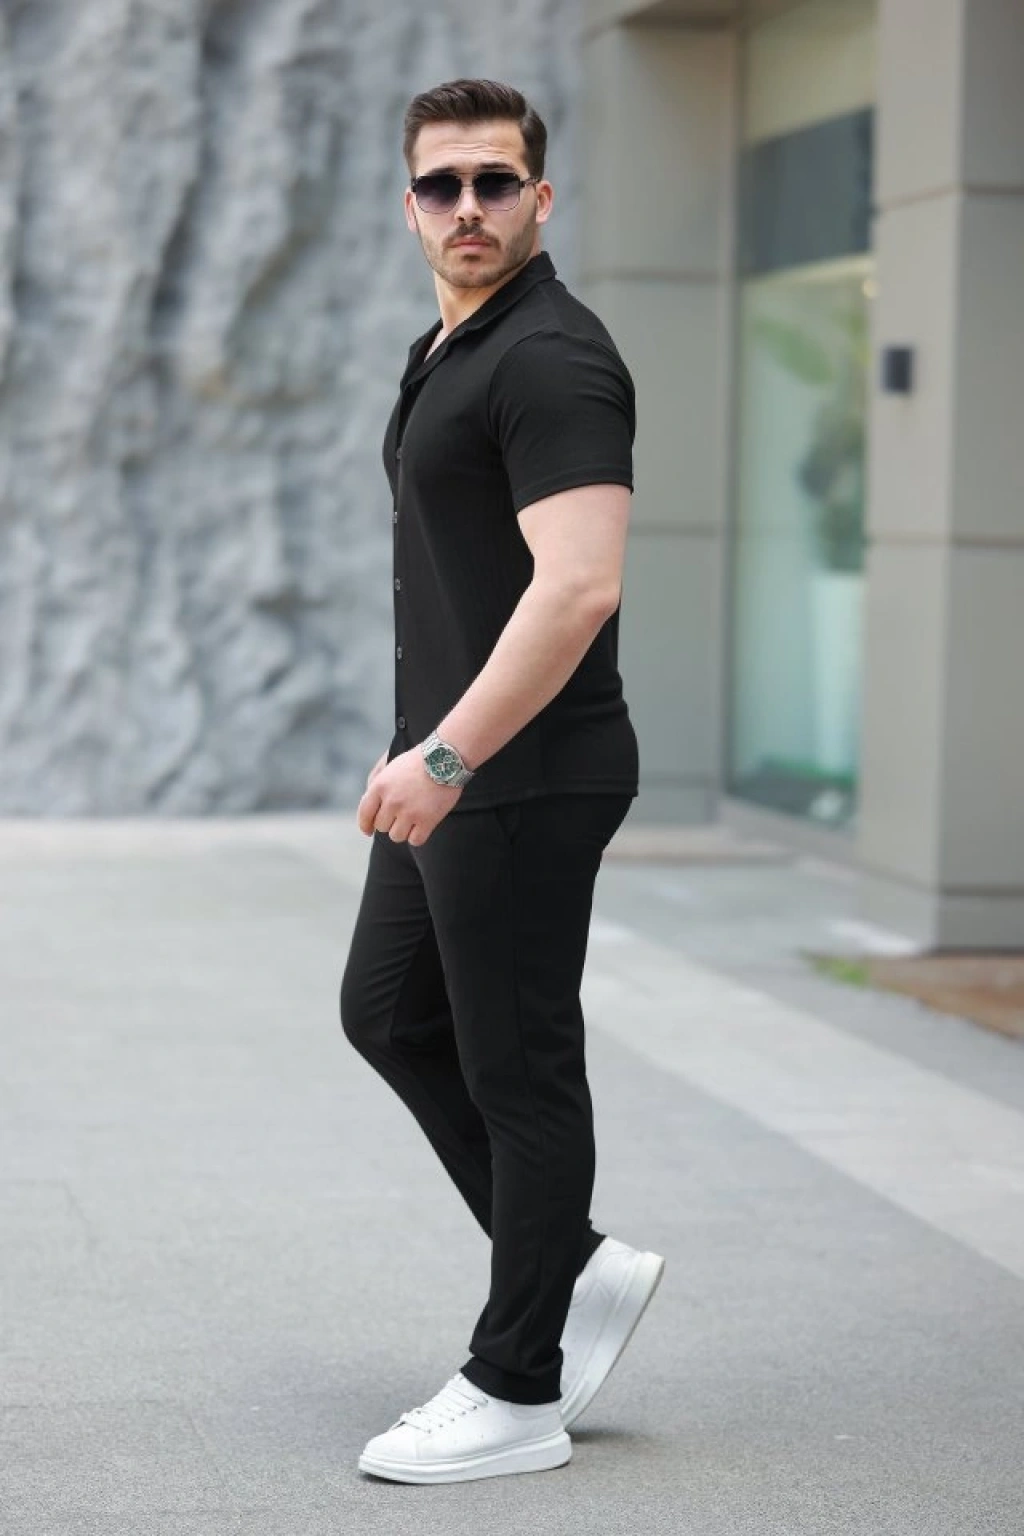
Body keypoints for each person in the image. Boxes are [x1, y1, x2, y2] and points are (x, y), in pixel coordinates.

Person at [339, 77, 664, 1485]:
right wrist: (427, 748)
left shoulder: (553, 357)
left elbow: (579, 585)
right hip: (454, 763)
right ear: (409, 206)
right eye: (441, 185)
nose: (466, 207)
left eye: (493, 182)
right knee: (389, 1013)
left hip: (517, 775)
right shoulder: (450, 345)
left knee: (518, 1067)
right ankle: (569, 1267)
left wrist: (449, 754)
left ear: (540, 196)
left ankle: (518, 1384)